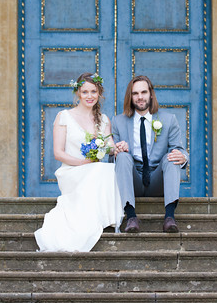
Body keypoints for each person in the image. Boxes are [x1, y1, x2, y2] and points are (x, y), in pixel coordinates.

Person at [34, 73, 124, 252]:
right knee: (99, 170)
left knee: (107, 169)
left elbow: (110, 146)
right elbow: (58, 153)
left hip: (94, 171)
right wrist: (82, 163)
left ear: (99, 93)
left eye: (93, 91)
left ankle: (100, 217)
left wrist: (119, 147)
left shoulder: (104, 120)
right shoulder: (64, 116)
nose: (89, 96)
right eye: (85, 92)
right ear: (78, 93)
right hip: (71, 171)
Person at [112, 75, 189, 233]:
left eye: (144, 92)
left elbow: (178, 148)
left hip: (157, 179)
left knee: (171, 156)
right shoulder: (118, 121)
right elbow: (110, 159)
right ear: (130, 96)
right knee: (122, 157)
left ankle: (169, 217)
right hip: (132, 180)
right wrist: (117, 149)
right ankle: (131, 217)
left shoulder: (168, 120)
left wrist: (183, 157)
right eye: (135, 93)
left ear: (151, 94)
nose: (140, 97)